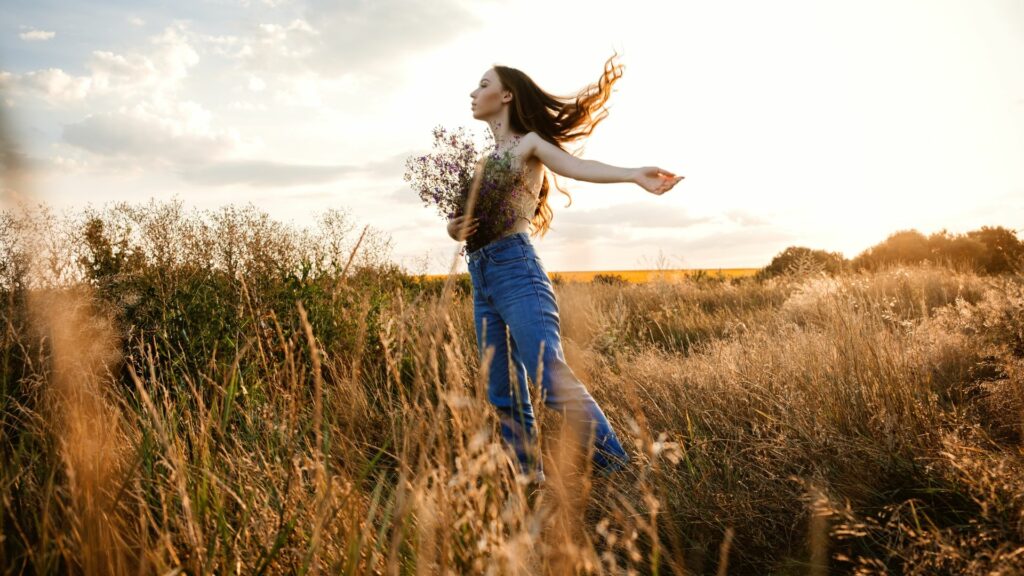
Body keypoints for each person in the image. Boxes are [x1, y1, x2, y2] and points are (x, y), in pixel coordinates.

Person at [447, 52, 684, 487]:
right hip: (481, 276)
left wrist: (634, 174)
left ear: (505, 95)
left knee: (548, 376)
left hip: (516, 270)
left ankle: (619, 470)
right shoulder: (482, 162)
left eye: (482, 84)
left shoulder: (529, 144)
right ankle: (528, 478)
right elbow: (460, 223)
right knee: (503, 389)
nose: (473, 92)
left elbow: (578, 167)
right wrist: (453, 227)